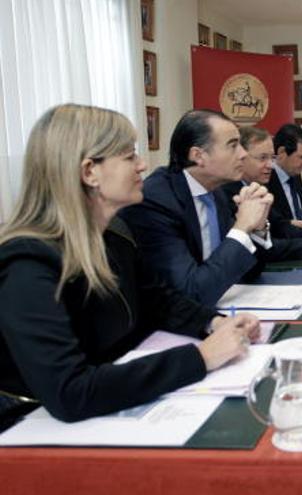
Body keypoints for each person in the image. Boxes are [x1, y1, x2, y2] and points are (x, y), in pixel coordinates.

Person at [0, 104, 259, 428]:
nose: (143, 165)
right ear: (89, 172)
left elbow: (158, 300)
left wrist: (214, 323)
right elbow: (70, 392)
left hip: (110, 402)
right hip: (28, 429)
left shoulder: (116, 235)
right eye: (128, 156)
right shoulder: (27, 264)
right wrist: (202, 357)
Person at [120, 109, 301, 306]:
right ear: (198, 155)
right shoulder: (157, 201)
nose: (242, 154)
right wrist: (241, 228)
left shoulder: (216, 191)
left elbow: (249, 270)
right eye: (233, 145)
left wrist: (256, 228)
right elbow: (190, 293)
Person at [220, 126, 302, 250]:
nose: (271, 165)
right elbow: (261, 249)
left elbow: (279, 225)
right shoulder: (227, 193)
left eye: (271, 158)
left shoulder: (255, 187)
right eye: (262, 158)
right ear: (240, 157)